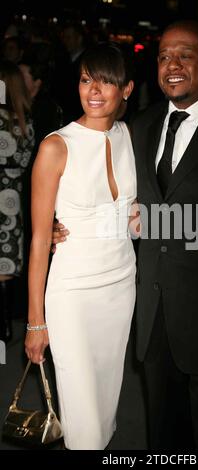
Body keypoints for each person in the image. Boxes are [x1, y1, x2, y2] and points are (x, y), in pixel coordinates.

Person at [53, 21, 198, 449]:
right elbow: (136, 211)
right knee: (164, 441)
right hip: (154, 325)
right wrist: (66, 226)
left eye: (184, 55)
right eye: (163, 57)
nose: (171, 65)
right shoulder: (139, 126)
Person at [25, 42, 136, 450]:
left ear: (126, 89)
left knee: (104, 412)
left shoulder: (129, 137)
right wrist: (36, 321)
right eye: (87, 79)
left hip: (121, 287)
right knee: (84, 424)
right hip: (72, 293)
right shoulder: (56, 147)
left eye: (106, 81)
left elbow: (133, 215)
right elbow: (39, 239)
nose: (94, 90)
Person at [0, 60, 34, 342]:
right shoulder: (25, 122)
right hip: (12, 200)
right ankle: (6, 324)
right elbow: (24, 161)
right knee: (6, 266)